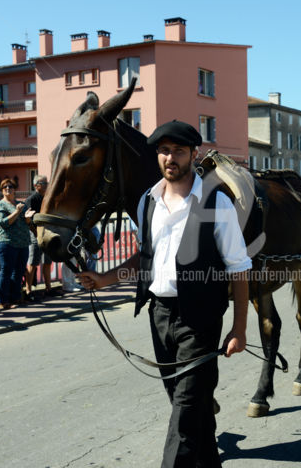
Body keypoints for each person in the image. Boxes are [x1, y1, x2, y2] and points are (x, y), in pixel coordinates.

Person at [77, 120, 251, 467]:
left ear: (193, 154)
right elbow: (145, 257)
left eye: (178, 151)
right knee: (188, 405)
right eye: (164, 150)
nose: (170, 157)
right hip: (159, 315)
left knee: (184, 414)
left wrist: (239, 327)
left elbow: (239, 267)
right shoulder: (148, 202)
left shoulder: (218, 204)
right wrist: (103, 279)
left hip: (200, 319)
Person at [0, 179, 34, 309]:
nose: (8, 188)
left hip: (22, 243)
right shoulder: (0, 205)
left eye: (10, 186)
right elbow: (3, 223)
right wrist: (16, 212)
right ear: (2, 190)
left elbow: (28, 223)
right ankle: (3, 301)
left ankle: (16, 298)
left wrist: (27, 218)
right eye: (4, 187)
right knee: (6, 272)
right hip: (7, 243)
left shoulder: (21, 205)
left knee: (19, 272)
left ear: (15, 189)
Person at [24, 175, 58, 300]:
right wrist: (37, 233)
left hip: (47, 234)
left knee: (48, 262)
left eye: (46, 182)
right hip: (35, 235)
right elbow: (28, 220)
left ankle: (48, 288)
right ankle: (28, 291)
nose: (47, 185)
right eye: (44, 183)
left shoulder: (47, 197)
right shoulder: (31, 199)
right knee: (32, 263)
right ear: (36, 185)